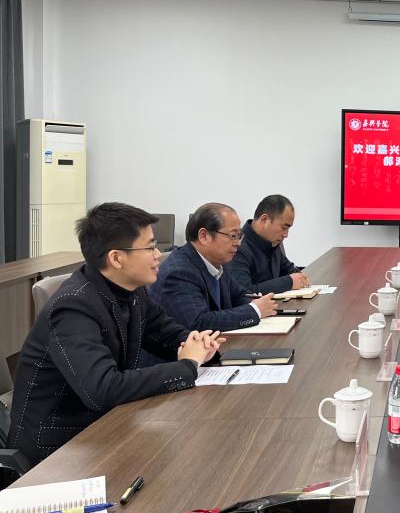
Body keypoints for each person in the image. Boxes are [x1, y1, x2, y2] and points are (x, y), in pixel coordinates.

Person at [8, 203, 223, 465]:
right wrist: (187, 365)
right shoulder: (73, 306)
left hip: (105, 426)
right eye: (150, 247)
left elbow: (168, 335)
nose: (158, 255)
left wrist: (201, 345)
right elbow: (102, 389)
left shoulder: (132, 290)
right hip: (57, 451)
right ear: (116, 258)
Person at [150, 203, 278, 331]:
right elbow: (198, 323)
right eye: (233, 235)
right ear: (204, 236)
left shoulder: (216, 262)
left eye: (239, 236)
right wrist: (254, 310)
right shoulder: (179, 272)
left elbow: (239, 295)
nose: (238, 243)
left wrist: (260, 303)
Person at [226, 194, 308, 294]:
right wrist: (289, 282)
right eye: (283, 228)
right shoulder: (237, 248)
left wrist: (299, 277)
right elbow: (244, 291)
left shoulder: (272, 243)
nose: (286, 234)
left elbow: (289, 269)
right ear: (264, 220)